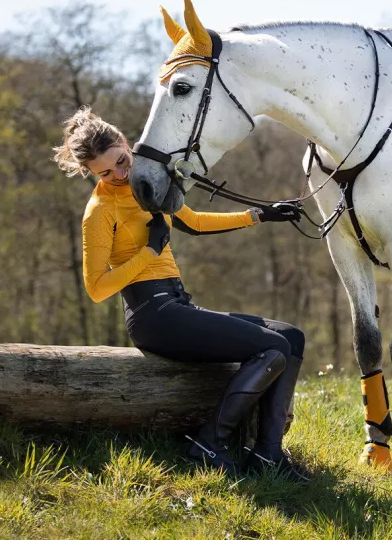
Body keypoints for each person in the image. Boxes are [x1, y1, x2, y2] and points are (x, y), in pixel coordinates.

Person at [53, 107, 308, 481]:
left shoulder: (148, 186)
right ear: (91, 173)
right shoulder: (99, 210)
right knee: (273, 348)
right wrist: (149, 253)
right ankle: (208, 444)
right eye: (106, 172)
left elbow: (195, 222)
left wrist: (260, 214)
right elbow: (96, 289)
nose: (120, 175)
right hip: (153, 316)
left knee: (291, 337)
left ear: (126, 143)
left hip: (176, 303)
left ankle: (269, 454)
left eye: (122, 162)